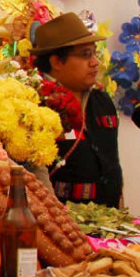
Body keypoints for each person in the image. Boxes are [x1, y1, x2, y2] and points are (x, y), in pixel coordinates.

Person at [32, 12, 139, 207]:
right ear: (56, 62)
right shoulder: (35, 105)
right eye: (85, 55)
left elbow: (112, 163)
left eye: (94, 53)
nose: (95, 62)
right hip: (62, 224)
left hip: (110, 222)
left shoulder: (102, 101)